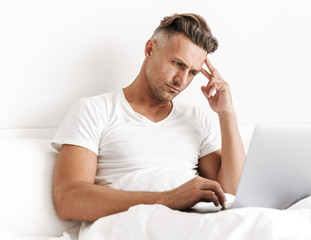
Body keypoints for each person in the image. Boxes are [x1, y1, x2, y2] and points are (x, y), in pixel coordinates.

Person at [51, 13, 246, 223]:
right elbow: (69, 200)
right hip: (132, 226)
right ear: (150, 49)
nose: (181, 80)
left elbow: (233, 194)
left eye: (192, 73)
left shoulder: (197, 118)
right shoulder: (95, 110)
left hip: (193, 224)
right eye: (178, 64)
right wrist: (171, 199)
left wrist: (227, 114)